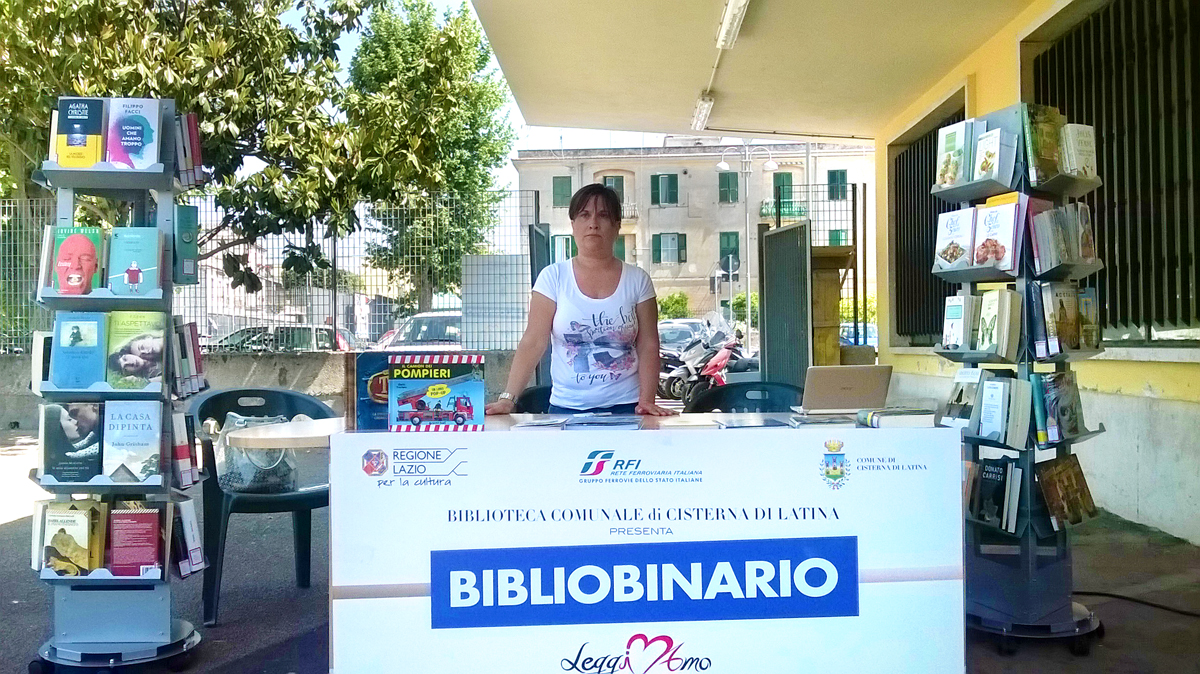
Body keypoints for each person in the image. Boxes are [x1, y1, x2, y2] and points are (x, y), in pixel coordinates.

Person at [485, 184, 675, 417]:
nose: (593, 223)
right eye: (584, 215)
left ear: (617, 226)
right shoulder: (552, 277)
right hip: (566, 409)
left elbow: (648, 345)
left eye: (603, 215)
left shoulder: (638, 280)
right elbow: (534, 341)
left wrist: (647, 400)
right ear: (573, 225)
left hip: (628, 408)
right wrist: (507, 399)